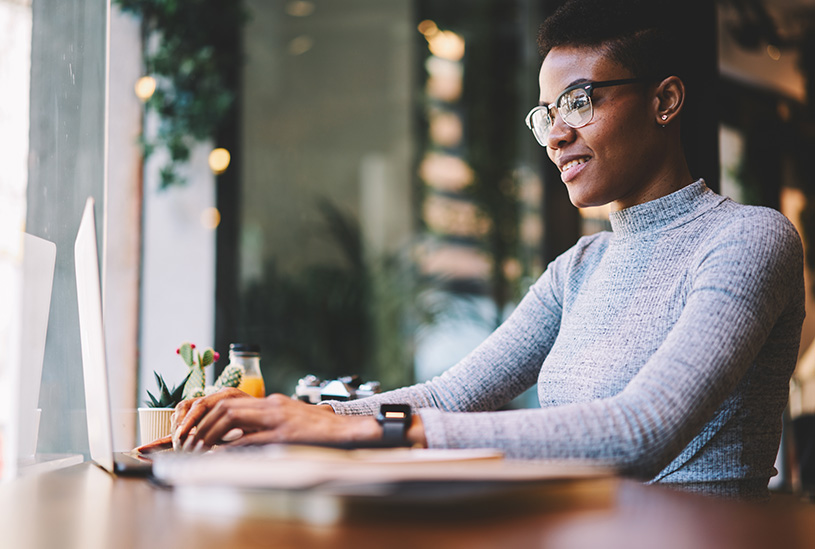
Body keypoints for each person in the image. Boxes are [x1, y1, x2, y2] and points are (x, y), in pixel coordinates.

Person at [145, 0, 805, 501]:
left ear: (664, 100)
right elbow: (449, 393)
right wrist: (289, 416)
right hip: (584, 529)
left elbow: (641, 428)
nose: (555, 136)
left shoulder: (747, 238)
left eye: (579, 101)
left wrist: (367, 431)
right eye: (547, 113)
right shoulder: (578, 269)